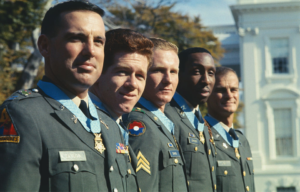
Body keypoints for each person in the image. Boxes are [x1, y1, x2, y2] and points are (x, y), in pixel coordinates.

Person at [0, 1, 138, 191]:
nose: (90, 51)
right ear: (45, 46)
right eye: (77, 38)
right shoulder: (23, 115)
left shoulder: (110, 124)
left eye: (98, 41)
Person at [89, 28, 153, 188]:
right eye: (122, 72)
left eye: (140, 76)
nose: (133, 84)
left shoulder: (116, 125)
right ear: (97, 74)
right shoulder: (79, 125)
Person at [123, 38, 188, 192]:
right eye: (158, 70)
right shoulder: (140, 125)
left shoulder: (161, 121)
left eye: (173, 72)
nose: (168, 80)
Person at [164, 47, 217, 192]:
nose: (206, 80)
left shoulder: (202, 123)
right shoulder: (166, 116)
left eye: (211, 73)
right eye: (197, 72)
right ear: (179, 75)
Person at [205, 67, 255, 192]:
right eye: (221, 90)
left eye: (234, 89)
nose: (229, 95)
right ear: (207, 95)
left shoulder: (242, 140)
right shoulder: (201, 136)